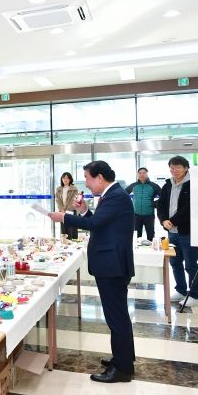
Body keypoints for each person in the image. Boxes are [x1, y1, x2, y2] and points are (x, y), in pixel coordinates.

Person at [48, 160, 135, 383]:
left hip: (112, 265)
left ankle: (122, 368)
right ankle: (123, 358)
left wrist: (64, 217)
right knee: (118, 316)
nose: (86, 183)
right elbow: (99, 222)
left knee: (116, 317)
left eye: (87, 178)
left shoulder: (116, 196)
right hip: (111, 264)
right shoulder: (112, 195)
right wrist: (84, 211)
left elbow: (95, 224)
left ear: (100, 178)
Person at [157, 156, 198, 306]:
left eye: (178, 167)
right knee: (175, 262)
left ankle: (194, 295)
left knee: (190, 264)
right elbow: (161, 205)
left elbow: (189, 208)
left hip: (187, 231)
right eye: (172, 167)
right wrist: (164, 220)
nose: (174, 170)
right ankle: (181, 290)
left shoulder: (193, 184)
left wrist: (173, 221)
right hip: (171, 231)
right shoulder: (167, 185)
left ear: (186, 168)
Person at [125, 168, 161, 242]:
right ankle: (137, 249)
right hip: (136, 215)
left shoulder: (153, 186)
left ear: (147, 174)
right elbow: (123, 194)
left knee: (150, 235)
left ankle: (151, 248)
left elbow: (164, 197)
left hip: (149, 215)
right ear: (137, 174)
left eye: (144, 173)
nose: (142, 175)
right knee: (137, 236)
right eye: (140, 173)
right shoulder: (133, 185)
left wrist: (154, 204)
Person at [55, 172, 79, 240]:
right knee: (64, 229)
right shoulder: (59, 189)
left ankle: (73, 244)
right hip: (62, 212)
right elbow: (58, 200)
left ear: (70, 179)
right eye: (64, 178)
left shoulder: (74, 189)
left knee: (71, 229)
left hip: (71, 211)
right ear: (61, 179)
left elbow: (74, 200)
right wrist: (62, 209)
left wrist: (67, 210)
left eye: (67, 178)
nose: (65, 180)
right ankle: (64, 244)